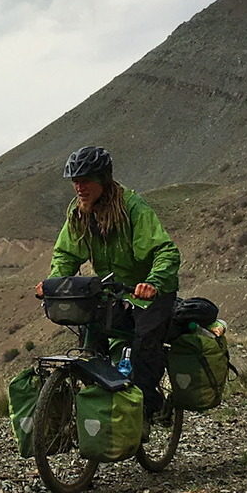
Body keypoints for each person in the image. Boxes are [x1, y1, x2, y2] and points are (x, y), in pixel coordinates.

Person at [35, 146, 181, 422]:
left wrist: (153, 282)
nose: (79, 187)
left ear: (103, 178)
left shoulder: (133, 208)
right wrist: (54, 284)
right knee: (92, 341)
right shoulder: (80, 213)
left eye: (86, 180)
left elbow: (165, 251)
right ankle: (101, 408)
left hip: (149, 290)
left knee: (144, 345)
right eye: (75, 181)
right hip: (110, 289)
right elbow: (66, 254)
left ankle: (147, 408)